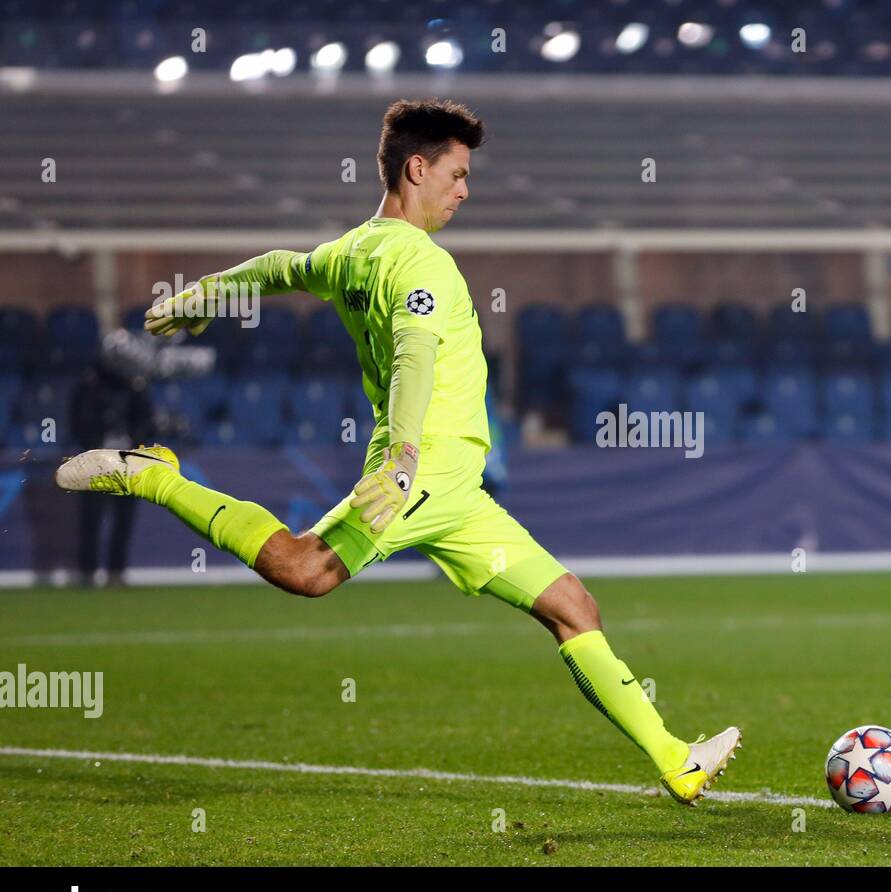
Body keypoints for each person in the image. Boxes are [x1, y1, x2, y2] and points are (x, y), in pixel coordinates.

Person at [55, 98, 740, 805]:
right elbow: (415, 354)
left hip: (457, 490)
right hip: (422, 471)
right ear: (418, 168)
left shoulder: (352, 251)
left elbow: (282, 267)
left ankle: (673, 760)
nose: (465, 190)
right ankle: (159, 479)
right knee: (304, 569)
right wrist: (405, 459)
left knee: (573, 606)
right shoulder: (421, 262)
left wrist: (208, 293)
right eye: (458, 174)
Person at [69, 359, 153, 586]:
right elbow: (78, 422)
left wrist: (135, 444)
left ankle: (116, 571)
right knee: (91, 519)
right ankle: (87, 572)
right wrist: (95, 445)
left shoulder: (136, 388)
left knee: (123, 520)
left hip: (127, 464)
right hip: (94, 462)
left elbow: (146, 422)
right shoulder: (89, 386)